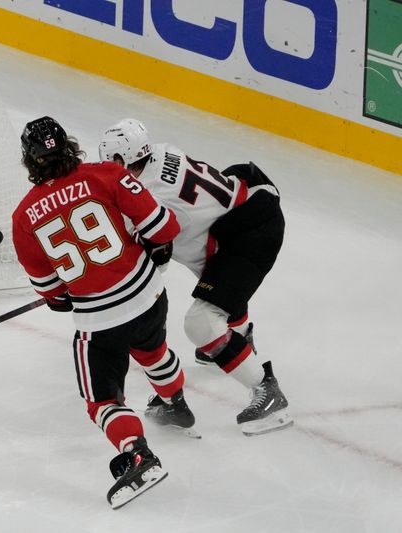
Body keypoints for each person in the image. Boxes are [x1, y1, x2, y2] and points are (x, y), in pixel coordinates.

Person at [12, 116, 187, 509]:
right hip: (148, 296)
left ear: (30, 161)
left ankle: (139, 454)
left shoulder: (24, 217)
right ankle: (176, 402)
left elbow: (53, 295)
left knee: (103, 401)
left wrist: (71, 292)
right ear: (70, 146)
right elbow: (164, 228)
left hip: (100, 320)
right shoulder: (108, 174)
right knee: (153, 350)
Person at [98, 118, 293, 436]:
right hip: (244, 206)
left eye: (111, 161)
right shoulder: (162, 152)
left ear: (122, 161)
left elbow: (153, 259)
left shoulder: (148, 199)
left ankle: (267, 392)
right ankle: (239, 341)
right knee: (216, 285)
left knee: (201, 323)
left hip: (248, 235)